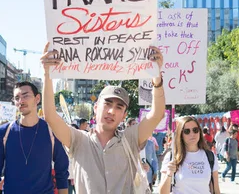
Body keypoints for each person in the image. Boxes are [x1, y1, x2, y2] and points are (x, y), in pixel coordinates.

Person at [41, 44, 166, 193]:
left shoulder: (131, 138)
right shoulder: (78, 139)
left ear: (124, 115)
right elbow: (50, 116)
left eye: (119, 107)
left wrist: (156, 78)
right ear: (95, 108)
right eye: (107, 104)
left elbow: (157, 114)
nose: (112, 111)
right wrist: (47, 74)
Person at [0, 81, 69, 194]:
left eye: (26, 95)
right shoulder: (4, 132)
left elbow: (61, 169)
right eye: (17, 97)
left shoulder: (51, 131)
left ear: (37, 98)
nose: (21, 101)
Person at [160, 116, 220, 194]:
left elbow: (216, 190)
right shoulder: (171, 157)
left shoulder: (210, 156)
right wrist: (169, 174)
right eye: (187, 131)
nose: (192, 134)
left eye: (195, 130)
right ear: (181, 134)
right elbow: (162, 192)